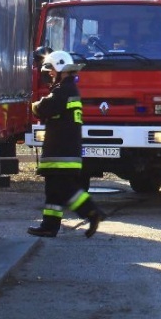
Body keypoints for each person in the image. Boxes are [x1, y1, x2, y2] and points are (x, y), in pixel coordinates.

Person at [28, 50, 103, 238]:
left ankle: (92, 212)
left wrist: (31, 105)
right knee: (54, 192)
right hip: (65, 151)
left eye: (52, 70)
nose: (50, 74)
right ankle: (49, 226)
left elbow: (43, 108)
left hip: (61, 152)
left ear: (61, 69)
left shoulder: (63, 91)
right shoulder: (68, 90)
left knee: (66, 190)